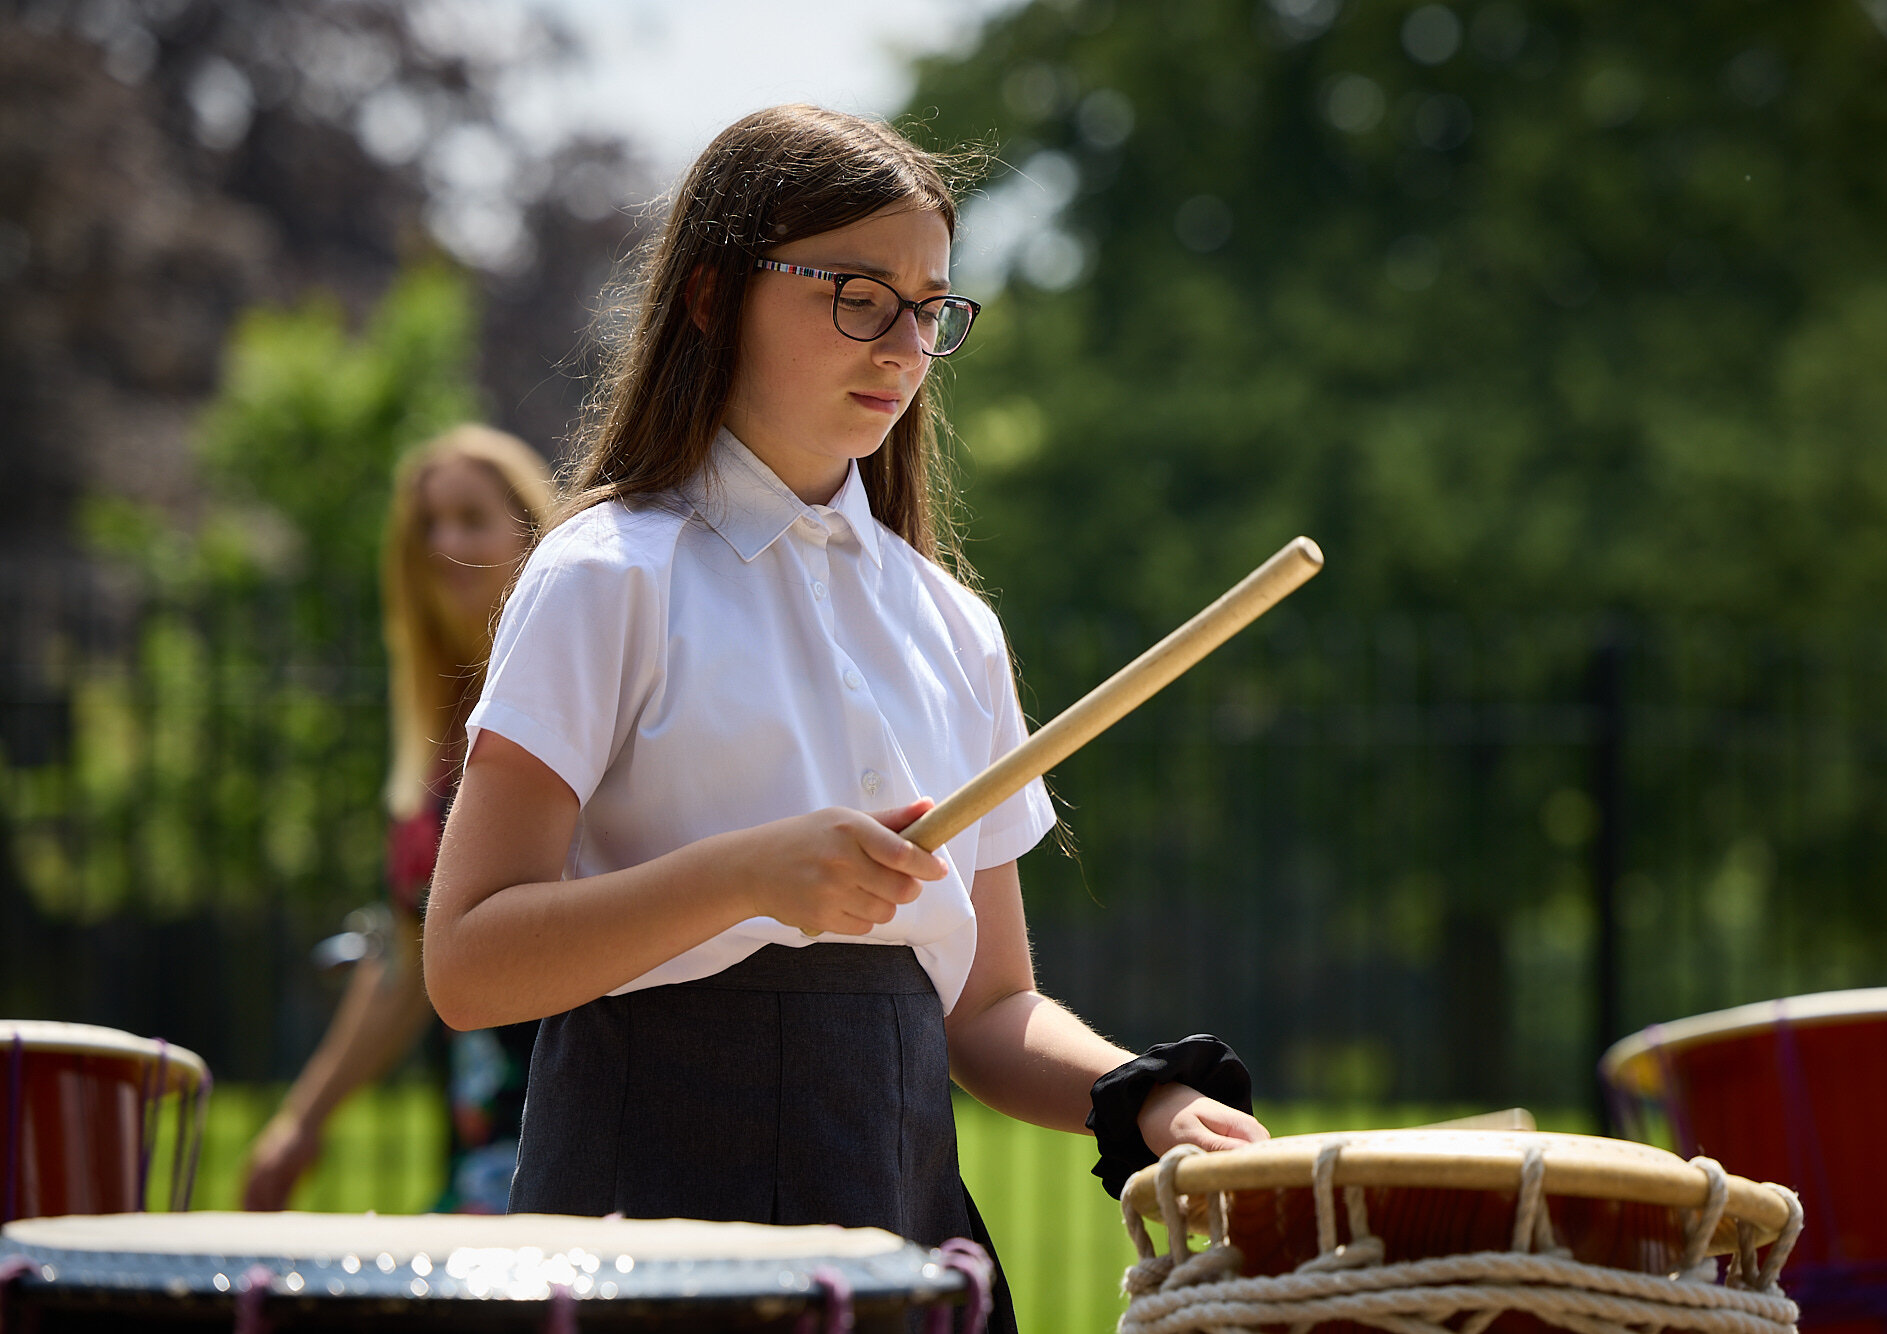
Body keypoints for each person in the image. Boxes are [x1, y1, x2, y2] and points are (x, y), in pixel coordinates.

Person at [421, 105, 1265, 1329]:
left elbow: (983, 1009)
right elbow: (466, 959)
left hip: (904, 1226)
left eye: (929, 306)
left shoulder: (951, 624)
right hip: (644, 1239)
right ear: (710, 295)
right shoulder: (605, 572)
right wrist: (750, 876)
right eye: (856, 293)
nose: (903, 342)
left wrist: (1140, 1096)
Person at [242, 424, 556, 1214]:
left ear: (532, 534)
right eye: (425, 527)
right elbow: (411, 954)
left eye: (470, 516)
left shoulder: (578, 695)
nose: (444, 540)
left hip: (580, 1126)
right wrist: (302, 1122)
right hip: (482, 1147)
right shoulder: (444, 741)